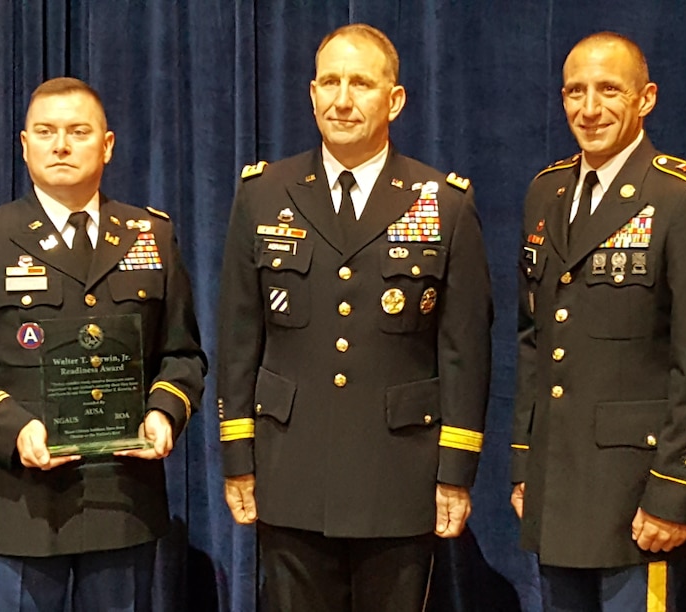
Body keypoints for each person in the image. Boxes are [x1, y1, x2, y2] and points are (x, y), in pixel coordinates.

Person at [217, 24, 492, 611]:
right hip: (290, 471)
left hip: (397, 476)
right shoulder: (264, 194)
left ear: (394, 100)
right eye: (330, 82)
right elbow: (239, 340)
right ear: (312, 93)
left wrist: (456, 471)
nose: (343, 100)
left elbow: (464, 353)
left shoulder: (442, 201)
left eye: (361, 83)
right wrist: (238, 458)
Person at [0, 77, 206, 611]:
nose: (60, 145)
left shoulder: (150, 235)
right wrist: (13, 428)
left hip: (123, 501)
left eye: (77, 131)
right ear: (24, 144)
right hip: (23, 508)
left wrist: (164, 413)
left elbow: (181, 354)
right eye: (45, 132)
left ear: (107, 145)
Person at [510, 32, 686, 611]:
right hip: (557, 488)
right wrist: (525, 460)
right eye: (575, 91)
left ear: (646, 99)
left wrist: (676, 490)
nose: (588, 109)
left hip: (638, 499)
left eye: (608, 90)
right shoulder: (547, 191)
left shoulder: (685, 198)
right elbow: (534, 339)